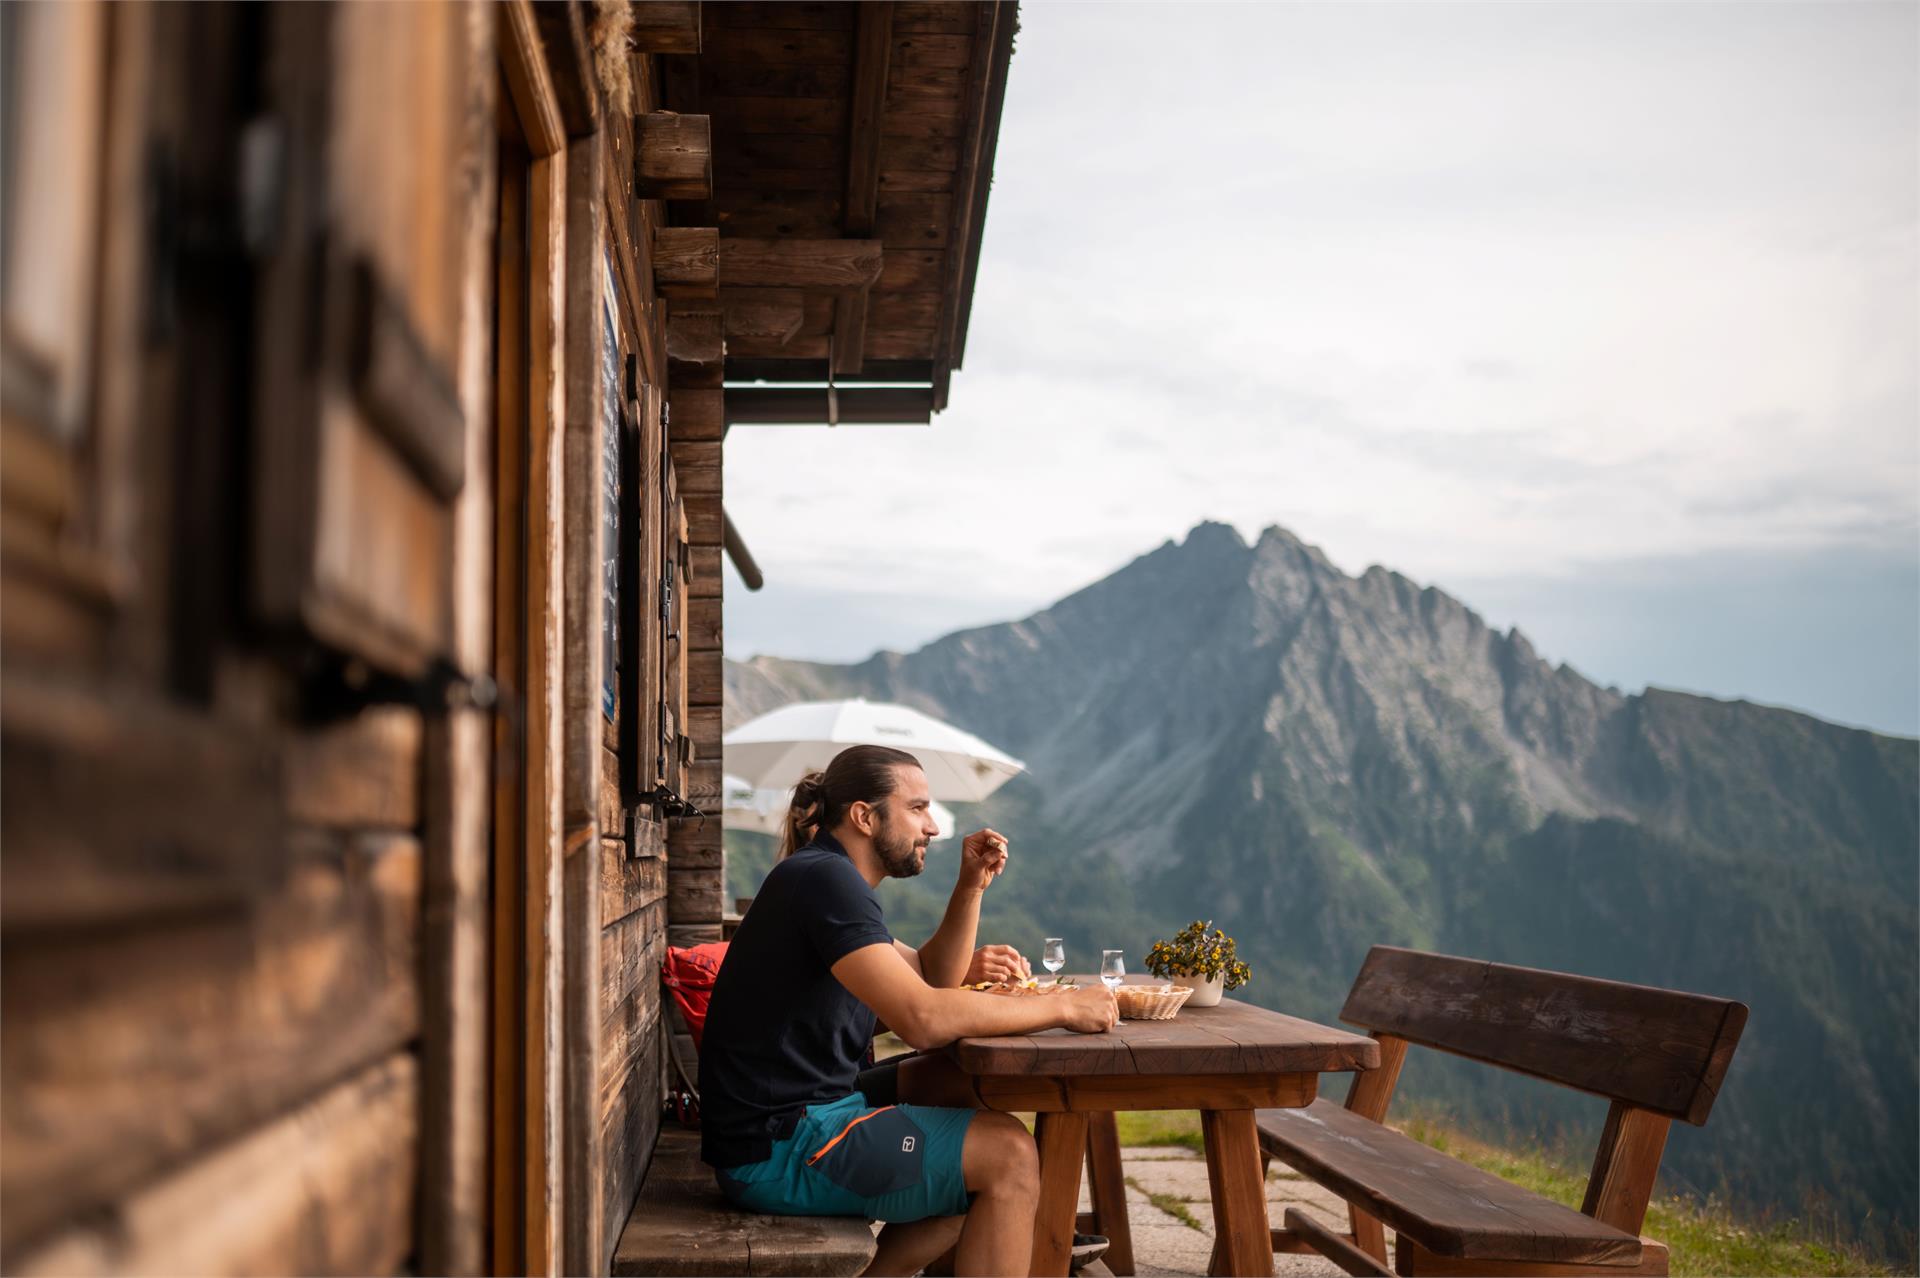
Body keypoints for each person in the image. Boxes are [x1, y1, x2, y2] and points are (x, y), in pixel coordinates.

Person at [699, 744, 1119, 1277]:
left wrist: (970, 886)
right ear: (865, 817)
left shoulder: (824, 876)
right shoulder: (826, 882)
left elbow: (930, 976)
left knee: (959, 1082)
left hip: (800, 1112)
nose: (933, 827)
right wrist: (1064, 1007)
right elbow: (924, 1019)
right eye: (917, 808)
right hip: (778, 1147)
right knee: (1008, 1157)